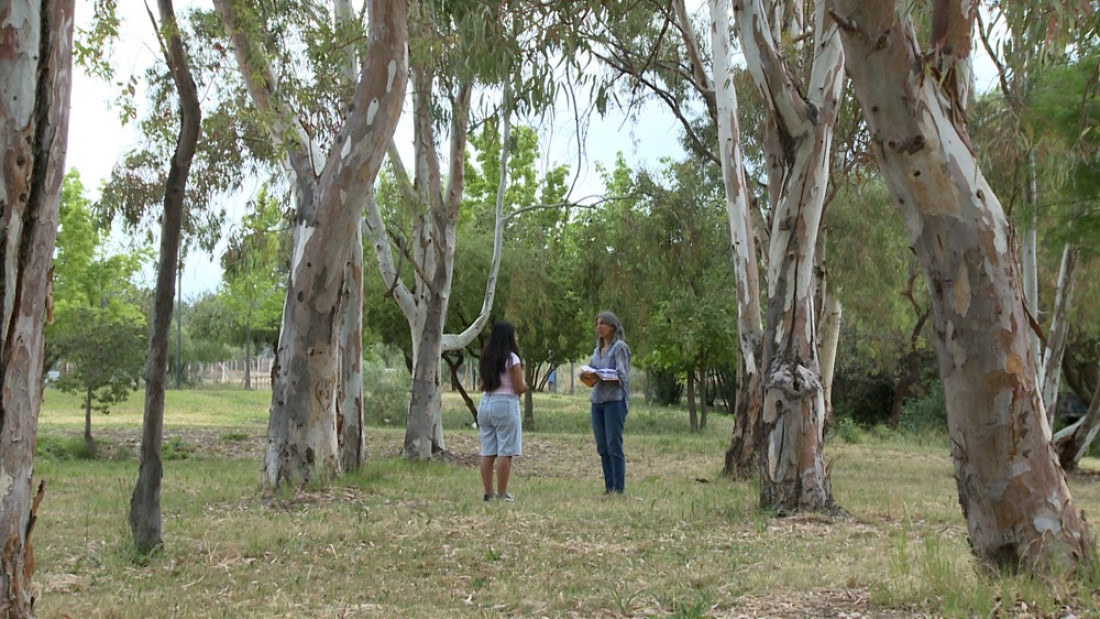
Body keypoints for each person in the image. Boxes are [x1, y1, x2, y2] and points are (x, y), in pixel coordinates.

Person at [579, 311, 631, 495]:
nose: (599, 327)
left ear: (612, 327)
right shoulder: (596, 351)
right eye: (597, 324)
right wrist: (587, 375)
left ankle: (619, 487)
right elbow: (592, 374)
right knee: (602, 446)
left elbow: (622, 375)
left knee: (613, 444)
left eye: (603, 323)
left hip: (614, 402)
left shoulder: (619, 348)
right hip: (598, 401)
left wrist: (604, 375)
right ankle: (609, 487)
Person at [477, 321, 528, 502]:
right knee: (505, 451)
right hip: (505, 404)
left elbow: (482, 384)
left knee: (488, 450)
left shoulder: (486, 357)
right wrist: (526, 387)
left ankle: (488, 493)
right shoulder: (512, 358)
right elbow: (517, 386)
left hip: (485, 403)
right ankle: (501, 493)